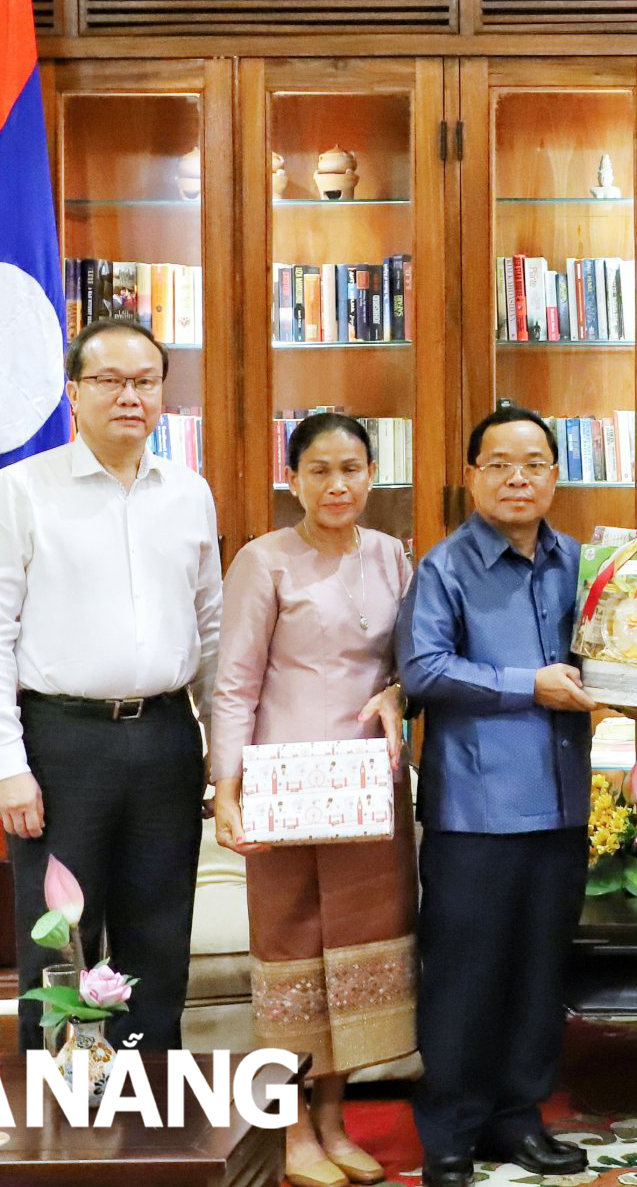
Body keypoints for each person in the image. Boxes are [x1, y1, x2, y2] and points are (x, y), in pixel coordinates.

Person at [0, 318, 221, 1053]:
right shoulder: (20, 492)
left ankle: (149, 1112)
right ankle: (62, 1120)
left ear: (162, 395)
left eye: (144, 382)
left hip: (168, 736)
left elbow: (212, 632)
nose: (128, 396)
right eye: (109, 380)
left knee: (160, 936)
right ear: (74, 393)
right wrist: (5, 766)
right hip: (62, 743)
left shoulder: (189, 493)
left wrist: (222, 753)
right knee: (62, 940)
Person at [210, 413, 415, 1187]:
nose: (338, 485)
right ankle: (292, 1132)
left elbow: (407, 662)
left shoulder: (392, 556)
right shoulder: (264, 562)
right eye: (320, 470)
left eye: (352, 469)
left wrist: (399, 690)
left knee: (354, 958)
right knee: (292, 960)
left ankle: (335, 1122)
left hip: (367, 788)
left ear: (370, 475)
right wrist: (226, 790)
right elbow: (233, 683)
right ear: (292, 477)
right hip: (284, 790)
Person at [395, 406, 597, 1187]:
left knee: (540, 974)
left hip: (562, 804)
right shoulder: (444, 567)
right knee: (464, 978)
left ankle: (519, 1119)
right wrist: (529, 687)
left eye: (535, 463)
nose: (519, 478)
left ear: (555, 473)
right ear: (473, 475)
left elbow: (608, 654)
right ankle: (450, 1131)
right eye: (500, 464)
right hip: (475, 813)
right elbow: (425, 671)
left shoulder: (578, 561)